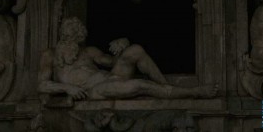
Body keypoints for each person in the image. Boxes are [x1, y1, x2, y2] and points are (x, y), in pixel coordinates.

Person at [38, 17, 218, 102]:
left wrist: (123, 44)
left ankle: (166, 88)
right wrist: (67, 88)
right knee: (141, 85)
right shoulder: (50, 55)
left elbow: (112, 63)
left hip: (111, 78)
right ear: (63, 36)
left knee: (135, 50)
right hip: (94, 91)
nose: (74, 41)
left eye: (77, 36)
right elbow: (42, 84)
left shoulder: (88, 51)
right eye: (70, 36)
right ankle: (195, 92)